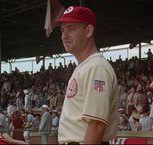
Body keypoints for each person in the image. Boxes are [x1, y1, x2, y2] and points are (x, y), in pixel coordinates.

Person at [56, 6, 118, 144]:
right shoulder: (87, 66)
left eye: (71, 28)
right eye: (62, 30)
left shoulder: (96, 67)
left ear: (88, 31)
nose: (64, 36)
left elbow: (96, 125)